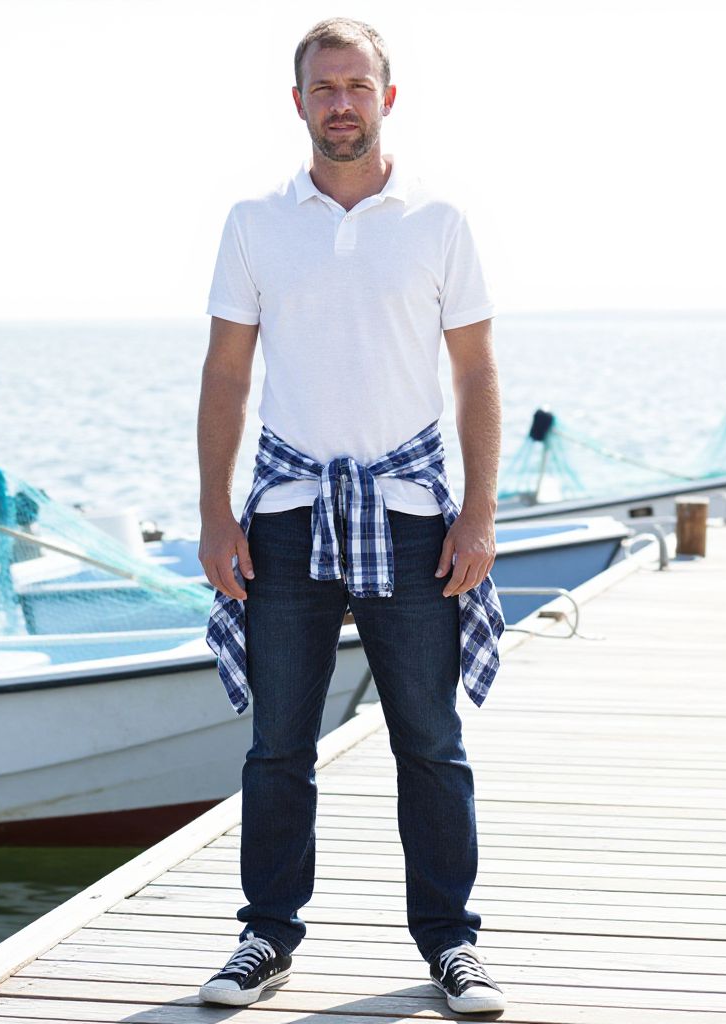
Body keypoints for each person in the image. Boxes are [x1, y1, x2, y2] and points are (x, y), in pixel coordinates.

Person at [196, 17, 507, 1015]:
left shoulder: (439, 221)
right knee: (278, 744)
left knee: (431, 741)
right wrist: (214, 514)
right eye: (324, 88)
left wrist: (479, 514)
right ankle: (266, 935)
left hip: (411, 516)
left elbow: (476, 373)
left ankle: (451, 944)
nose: (341, 103)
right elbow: (226, 373)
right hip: (286, 516)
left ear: (387, 98)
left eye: (357, 86)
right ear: (298, 102)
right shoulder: (255, 221)